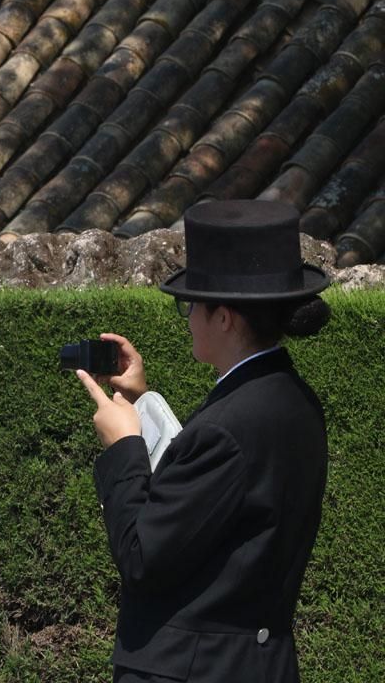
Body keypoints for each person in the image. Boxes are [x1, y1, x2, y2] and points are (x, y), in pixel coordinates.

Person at [77, 199, 331, 682]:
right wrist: (142, 401)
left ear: (226, 318)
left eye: (192, 303)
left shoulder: (229, 425)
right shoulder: (292, 400)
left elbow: (141, 557)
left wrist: (124, 449)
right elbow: (215, 506)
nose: (187, 314)